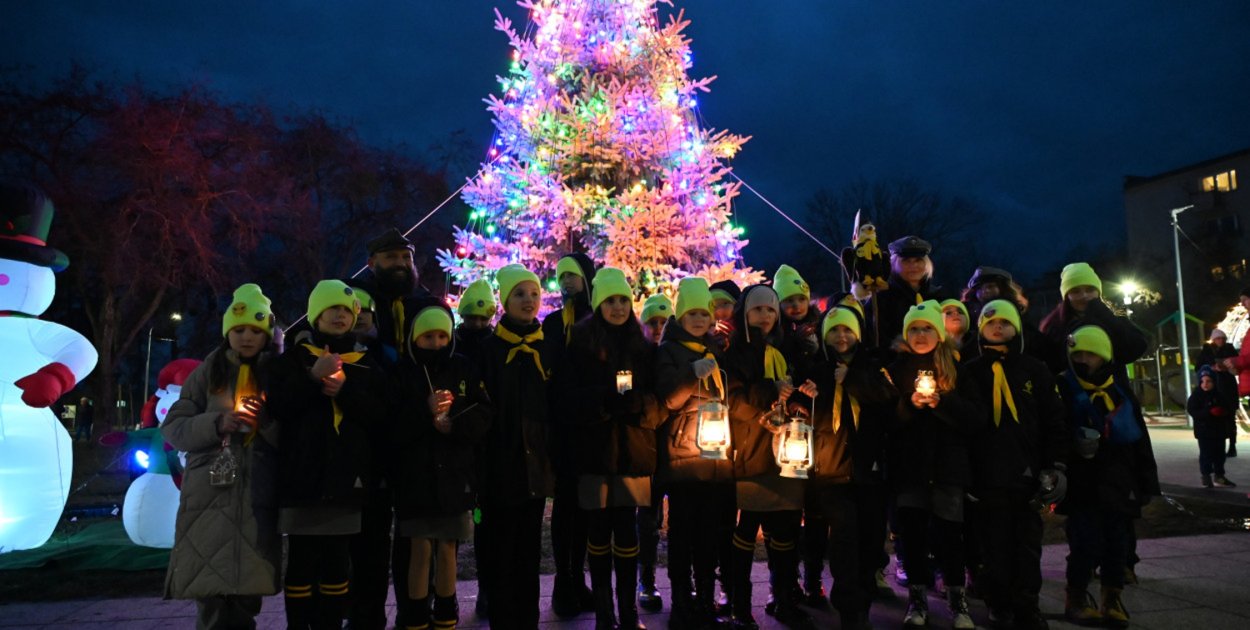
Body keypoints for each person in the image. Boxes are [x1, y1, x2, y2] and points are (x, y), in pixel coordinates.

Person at [162, 284, 281, 629]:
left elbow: (292, 436)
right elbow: (174, 427)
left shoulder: (276, 373)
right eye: (239, 330)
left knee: (246, 592)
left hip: (256, 494)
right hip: (209, 497)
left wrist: (266, 423)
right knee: (211, 594)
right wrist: (216, 423)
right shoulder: (208, 372)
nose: (247, 338)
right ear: (227, 331)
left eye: (256, 331)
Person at [267, 280, 384, 630]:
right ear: (315, 315)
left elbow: (380, 415)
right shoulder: (293, 361)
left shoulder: (365, 364)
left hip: (346, 479)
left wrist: (346, 392)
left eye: (347, 310)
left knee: (337, 562)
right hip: (303, 478)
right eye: (332, 308)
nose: (340, 315)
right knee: (302, 562)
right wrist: (312, 380)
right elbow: (280, 407)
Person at [349, 227, 445, 630]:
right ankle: (365, 616)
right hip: (370, 435)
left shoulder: (427, 303)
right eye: (392, 259)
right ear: (373, 263)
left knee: (413, 535)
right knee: (368, 537)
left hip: (416, 434)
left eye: (406, 258)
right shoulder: (354, 299)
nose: (401, 265)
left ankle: (413, 613)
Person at [562, 267, 663, 630]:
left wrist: (639, 405)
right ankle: (605, 613)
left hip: (633, 453)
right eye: (610, 301)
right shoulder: (581, 343)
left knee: (627, 530)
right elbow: (568, 397)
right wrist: (603, 401)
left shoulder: (643, 347)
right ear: (598, 304)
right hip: (595, 452)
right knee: (598, 530)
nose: (618, 307)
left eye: (623, 300)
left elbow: (658, 401)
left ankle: (628, 611)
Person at [962, 300, 1068, 629]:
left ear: (1016, 329)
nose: (998, 327)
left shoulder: (1034, 369)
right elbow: (963, 428)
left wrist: (1055, 465)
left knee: (1026, 544)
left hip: (1026, 473)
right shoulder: (970, 371)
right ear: (980, 329)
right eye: (991, 322)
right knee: (993, 544)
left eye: (1005, 323)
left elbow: (1053, 419)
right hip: (987, 474)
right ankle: (998, 602)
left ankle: (1027, 604)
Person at [790, 302, 896, 630]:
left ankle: (863, 598)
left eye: (847, 329)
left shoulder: (875, 366)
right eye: (834, 330)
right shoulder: (816, 367)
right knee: (844, 541)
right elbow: (801, 406)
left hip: (870, 470)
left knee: (870, 540)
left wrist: (851, 380)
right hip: (832, 470)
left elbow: (889, 401)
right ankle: (850, 610)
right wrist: (800, 401)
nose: (841, 336)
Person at [723, 284, 817, 629]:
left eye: (770, 310)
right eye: (758, 310)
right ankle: (740, 604)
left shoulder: (788, 348)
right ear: (745, 314)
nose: (765, 316)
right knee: (747, 529)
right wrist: (769, 391)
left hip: (787, 452)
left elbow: (802, 389)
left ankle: (783, 598)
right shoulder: (735, 352)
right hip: (752, 449)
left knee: (786, 529)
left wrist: (800, 399)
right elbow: (733, 402)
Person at [393, 304, 491, 630]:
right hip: (415, 477)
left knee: (448, 547)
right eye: (427, 337)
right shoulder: (404, 372)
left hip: (455, 474)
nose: (435, 343)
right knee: (419, 548)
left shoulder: (463, 368)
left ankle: (447, 613)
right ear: (414, 339)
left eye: (441, 336)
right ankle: (416, 615)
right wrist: (425, 413)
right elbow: (391, 425)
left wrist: (455, 426)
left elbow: (482, 413)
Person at [1056, 326, 1159, 628]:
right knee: (1084, 543)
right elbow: (1053, 432)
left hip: (1119, 481)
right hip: (1082, 482)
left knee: (1117, 543)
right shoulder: (1064, 388)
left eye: (1091, 354)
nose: (1084, 359)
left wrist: (1147, 481)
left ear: (1105, 357)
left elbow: (1141, 440)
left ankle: (1111, 597)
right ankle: (1075, 596)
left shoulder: (1120, 390)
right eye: (1079, 354)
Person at [886, 301, 981, 629]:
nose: (921, 334)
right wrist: (907, 405)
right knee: (912, 537)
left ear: (939, 333)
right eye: (914, 329)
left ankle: (957, 599)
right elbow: (886, 421)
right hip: (910, 469)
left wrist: (943, 401)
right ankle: (917, 599)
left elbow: (974, 418)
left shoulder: (956, 368)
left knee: (950, 536)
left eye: (927, 328)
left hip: (947, 468)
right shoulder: (896, 369)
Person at [477, 263, 556, 629]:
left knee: (528, 550)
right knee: (499, 547)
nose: (529, 301)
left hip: (535, 466)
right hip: (501, 464)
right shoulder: (490, 351)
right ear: (505, 301)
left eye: (534, 294)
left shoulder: (546, 348)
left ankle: (527, 619)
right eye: (520, 294)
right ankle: (501, 616)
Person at [654, 277, 736, 628]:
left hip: (716, 458)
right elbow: (669, 399)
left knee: (708, 534)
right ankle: (682, 601)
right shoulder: (668, 352)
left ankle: (704, 598)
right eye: (692, 313)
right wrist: (691, 374)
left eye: (704, 313)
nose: (700, 319)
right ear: (680, 315)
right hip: (683, 459)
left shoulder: (716, 349)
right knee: (683, 533)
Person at [543, 252, 598, 617]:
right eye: (561, 276)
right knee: (566, 507)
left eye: (572, 276)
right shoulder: (552, 323)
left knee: (585, 510)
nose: (565, 282)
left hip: (591, 426)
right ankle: (564, 582)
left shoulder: (597, 319)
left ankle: (579, 578)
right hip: (562, 428)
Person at [1037, 263, 1147, 377]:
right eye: (1075, 291)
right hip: (1069, 390)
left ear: (1098, 293)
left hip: (1112, 389)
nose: (1084, 295)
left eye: (1090, 290)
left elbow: (1137, 347)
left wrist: (1107, 317)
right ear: (1066, 296)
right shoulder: (1054, 326)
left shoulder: (1114, 319)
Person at [636, 290, 672, 613]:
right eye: (653, 322)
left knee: (680, 521)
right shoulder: (640, 358)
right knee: (647, 521)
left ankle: (682, 581)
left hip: (679, 451)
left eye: (664, 321)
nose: (658, 328)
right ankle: (646, 579)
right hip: (649, 449)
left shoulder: (676, 356)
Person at [864, 236, 949, 352]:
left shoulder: (939, 296)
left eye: (918, 260)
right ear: (894, 264)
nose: (913, 266)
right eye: (906, 261)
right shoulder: (881, 298)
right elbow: (873, 336)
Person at [1189, 366, 1236, 488]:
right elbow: (1193, 411)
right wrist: (1208, 412)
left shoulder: (1219, 395)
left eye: (1209, 381)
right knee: (1206, 455)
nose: (1205, 384)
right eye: (1203, 381)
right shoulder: (1196, 396)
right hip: (1204, 433)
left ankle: (1219, 476)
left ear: (1214, 382)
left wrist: (1223, 412)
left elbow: (1228, 409)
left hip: (1219, 432)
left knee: (1219, 455)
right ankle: (1206, 476)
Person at [1199, 328, 1239, 457]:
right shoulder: (1207, 351)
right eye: (1218, 338)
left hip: (1228, 388)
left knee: (1230, 418)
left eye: (1222, 338)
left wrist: (1228, 367)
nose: (1220, 341)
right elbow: (1199, 366)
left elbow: (1238, 365)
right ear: (1213, 340)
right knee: (1213, 417)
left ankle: (1232, 446)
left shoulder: (1230, 349)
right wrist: (1211, 368)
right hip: (1213, 387)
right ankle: (1214, 447)